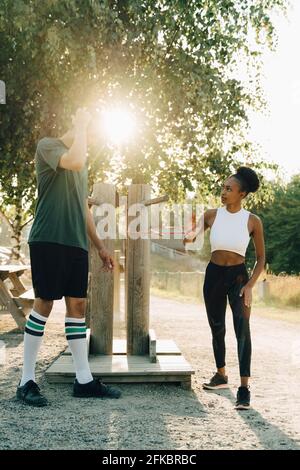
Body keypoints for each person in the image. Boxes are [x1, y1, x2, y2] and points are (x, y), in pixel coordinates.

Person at [17, 108, 121, 406]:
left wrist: (99, 246)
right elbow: (74, 159)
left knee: (77, 306)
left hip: (75, 244)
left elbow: (83, 208)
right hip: (48, 238)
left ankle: (84, 380)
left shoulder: (82, 163)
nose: (90, 139)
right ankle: (26, 381)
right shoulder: (48, 146)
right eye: (88, 134)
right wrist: (80, 123)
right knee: (45, 303)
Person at [184, 166, 265, 410]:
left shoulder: (252, 221)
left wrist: (250, 285)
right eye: (223, 188)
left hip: (239, 278)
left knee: (242, 329)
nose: (224, 192)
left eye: (229, 189)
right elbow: (193, 235)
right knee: (217, 327)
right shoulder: (211, 215)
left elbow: (261, 258)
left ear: (242, 194)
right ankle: (221, 375)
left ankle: (244, 388)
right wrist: (188, 235)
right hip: (214, 275)